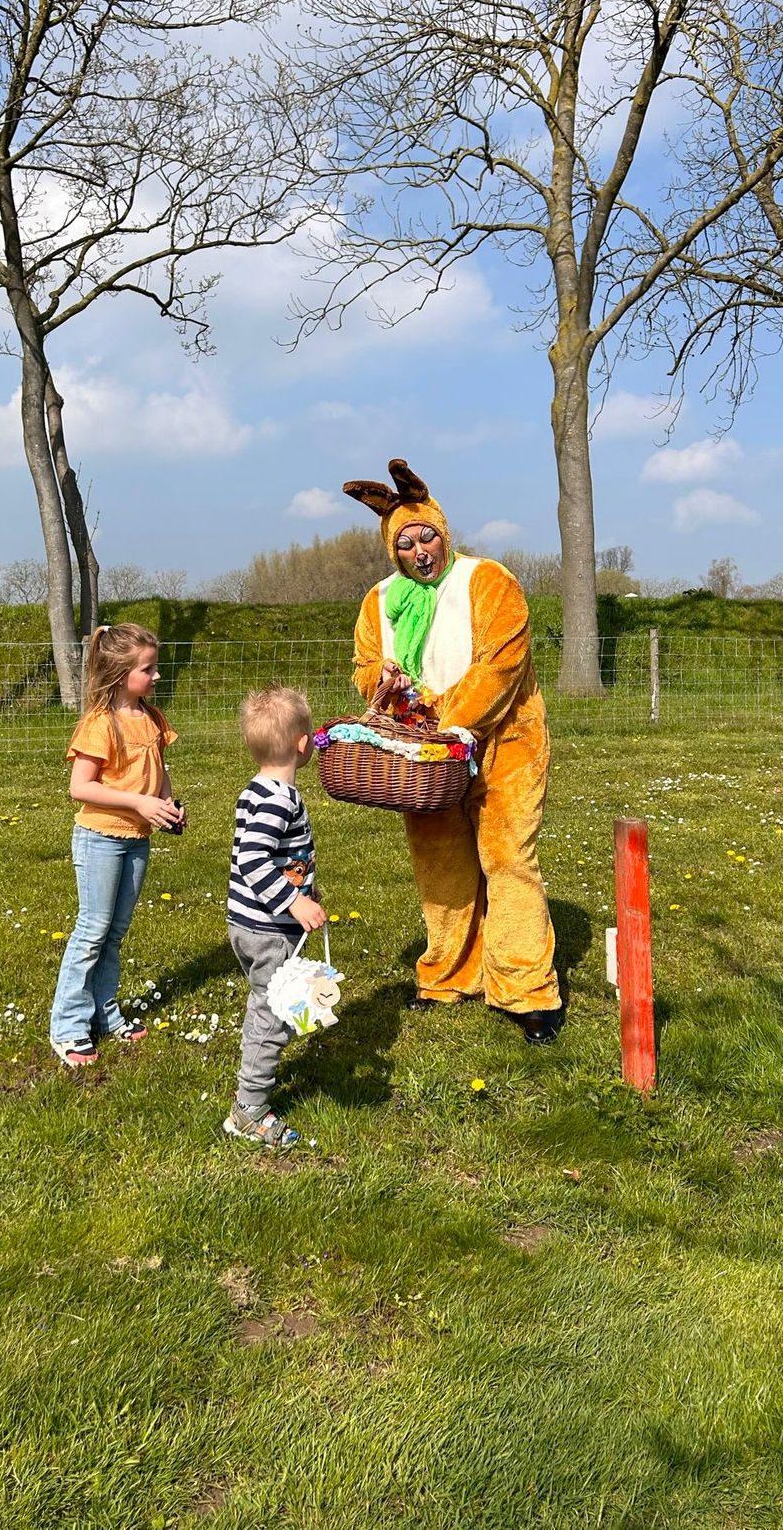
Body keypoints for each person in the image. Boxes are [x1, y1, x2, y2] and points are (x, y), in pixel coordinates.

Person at [344, 458, 564, 1044]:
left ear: (445, 533)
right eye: (406, 541)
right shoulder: (379, 600)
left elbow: (502, 665)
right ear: (393, 549)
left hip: (503, 742)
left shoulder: (488, 580)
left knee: (507, 857)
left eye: (428, 536)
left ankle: (525, 989)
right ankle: (450, 973)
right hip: (425, 759)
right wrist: (381, 685)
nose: (420, 549)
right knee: (440, 862)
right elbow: (365, 665)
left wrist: (444, 717)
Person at [49, 623, 184, 1068]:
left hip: (137, 839)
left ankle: (105, 1014)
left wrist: (165, 803)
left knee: (115, 933)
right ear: (120, 672)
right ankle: (68, 1027)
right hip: (100, 838)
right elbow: (80, 787)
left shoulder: (152, 718)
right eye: (148, 669)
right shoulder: (99, 724)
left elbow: (159, 769)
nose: (156, 676)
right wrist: (138, 801)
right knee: (92, 931)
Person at [224, 684, 327, 1149]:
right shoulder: (280, 800)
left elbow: (282, 857)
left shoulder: (259, 789)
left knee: (266, 1003)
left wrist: (305, 888)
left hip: (251, 922)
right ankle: (249, 1109)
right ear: (303, 743)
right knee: (273, 1017)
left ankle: (251, 1093)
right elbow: (253, 859)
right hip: (267, 928)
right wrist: (293, 902)